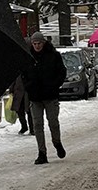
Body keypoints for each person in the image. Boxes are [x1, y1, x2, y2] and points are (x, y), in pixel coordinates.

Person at [24, 32, 67, 164]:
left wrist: (54, 85)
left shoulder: (53, 56)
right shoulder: (28, 57)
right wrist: (28, 86)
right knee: (37, 125)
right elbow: (23, 74)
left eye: (39, 43)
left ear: (43, 43)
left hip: (50, 95)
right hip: (35, 97)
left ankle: (57, 142)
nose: (37, 46)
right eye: (34, 43)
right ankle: (42, 152)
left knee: (53, 122)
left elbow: (62, 72)